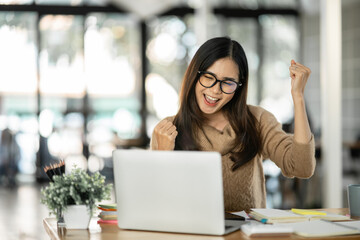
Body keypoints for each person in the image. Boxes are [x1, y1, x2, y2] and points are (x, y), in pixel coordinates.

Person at [150, 36, 315, 212]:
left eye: (227, 82)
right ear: (194, 75)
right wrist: (162, 156)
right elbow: (157, 202)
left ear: (239, 86)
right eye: (208, 77)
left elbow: (302, 167)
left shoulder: (257, 120)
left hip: (247, 234)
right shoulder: (168, 129)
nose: (215, 90)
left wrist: (298, 97)